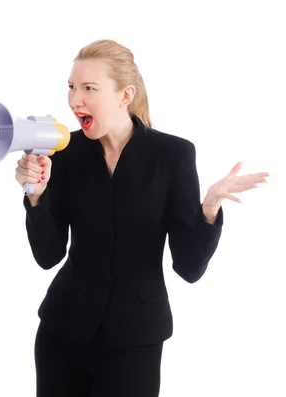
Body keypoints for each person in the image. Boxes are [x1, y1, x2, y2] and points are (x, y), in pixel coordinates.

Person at [15, 39, 269, 397]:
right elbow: (48, 256)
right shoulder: (65, 153)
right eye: (71, 87)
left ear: (125, 95)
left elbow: (189, 268)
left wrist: (209, 208)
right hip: (62, 331)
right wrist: (35, 195)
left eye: (89, 88)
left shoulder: (173, 155)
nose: (75, 100)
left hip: (136, 338)